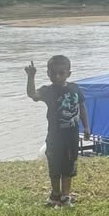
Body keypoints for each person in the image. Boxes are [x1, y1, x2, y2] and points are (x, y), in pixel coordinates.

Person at [25, 56, 90, 208]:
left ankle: (66, 196)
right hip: (55, 138)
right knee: (54, 167)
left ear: (69, 73)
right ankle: (55, 194)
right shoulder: (48, 91)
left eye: (62, 73)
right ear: (48, 74)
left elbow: (82, 107)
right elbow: (32, 94)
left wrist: (86, 126)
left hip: (71, 138)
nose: (57, 76)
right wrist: (31, 77)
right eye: (53, 73)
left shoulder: (75, 88)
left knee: (69, 167)